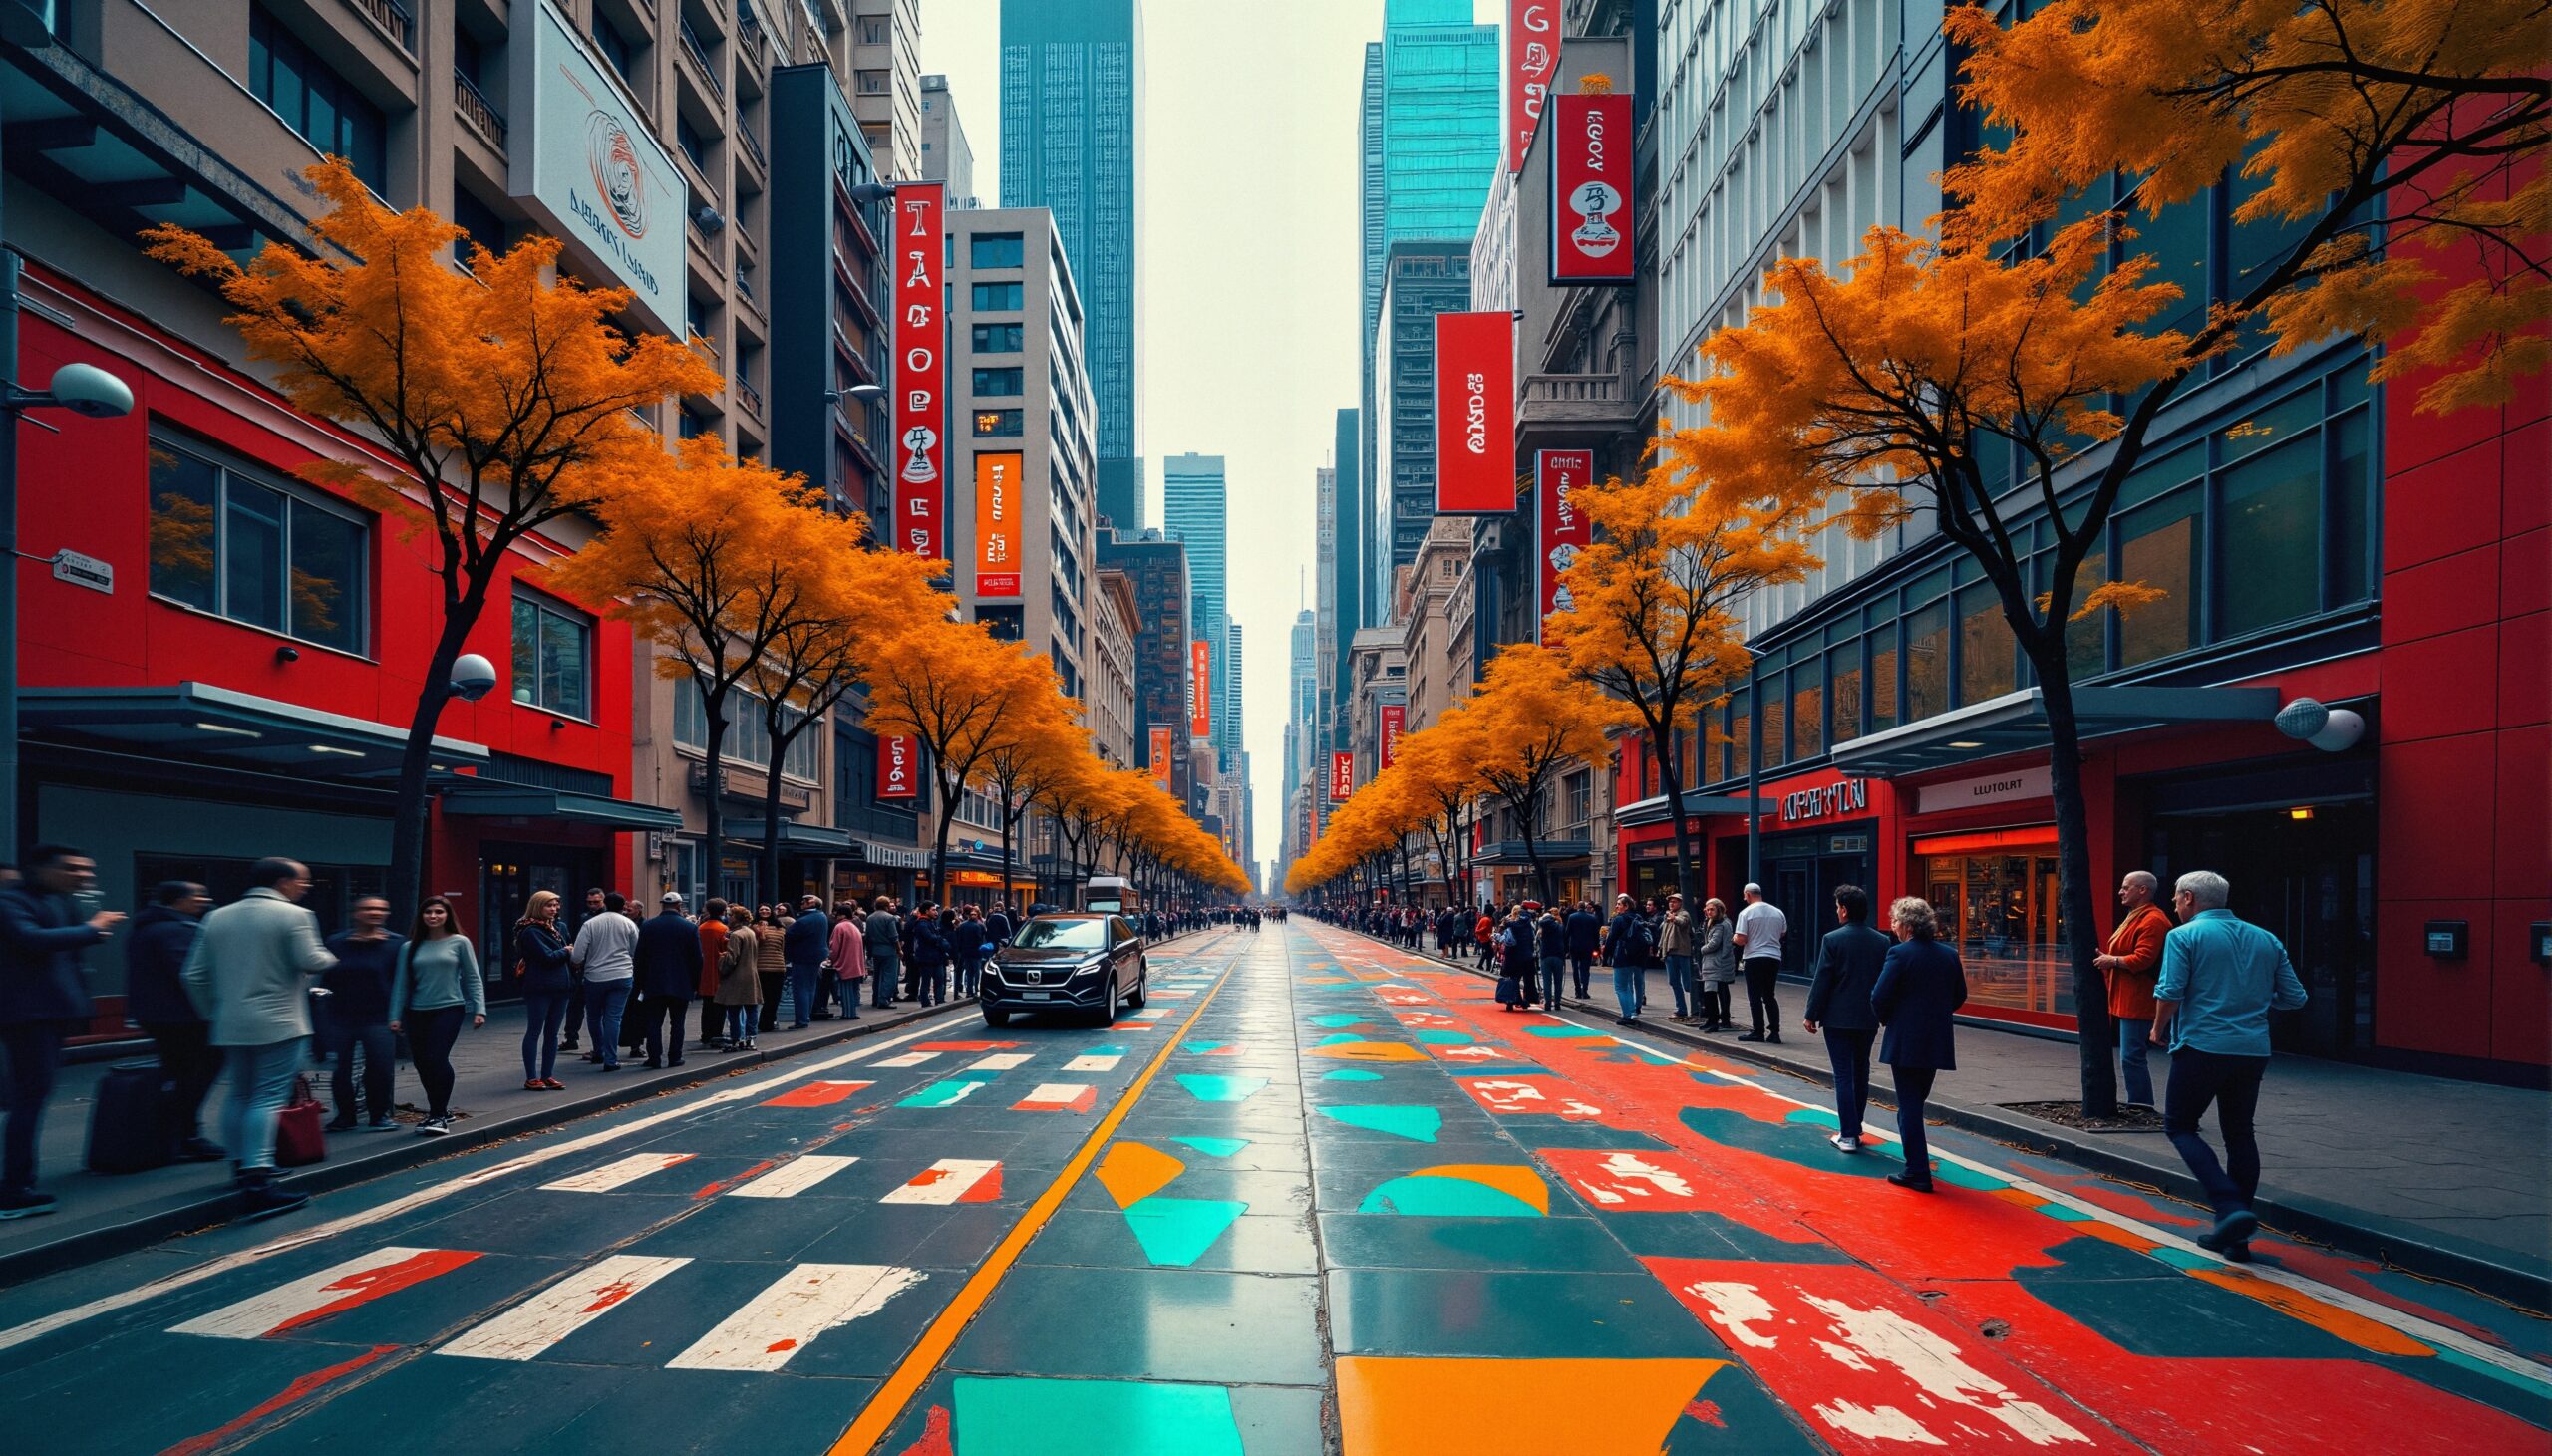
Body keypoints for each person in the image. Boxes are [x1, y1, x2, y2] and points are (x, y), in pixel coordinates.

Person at [2152, 870, 2308, 1262]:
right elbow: (2295, 997)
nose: (2173, 904)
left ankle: (2228, 1207)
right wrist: (2250, 1001)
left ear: (2189, 898)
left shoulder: (2183, 936)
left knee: (2180, 1126)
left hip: (2202, 1045)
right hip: (2252, 1049)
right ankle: (2238, 1238)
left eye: (2175, 897)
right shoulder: (2266, 938)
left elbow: (2170, 991)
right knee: (2240, 1133)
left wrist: (2157, 1029)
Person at [181, 857, 333, 1217]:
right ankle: (259, 1177)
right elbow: (311, 960)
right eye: (303, 881)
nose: (305, 888)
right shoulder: (295, 916)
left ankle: (240, 1164)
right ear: (283, 882)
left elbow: (194, 975)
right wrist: (331, 957)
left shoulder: (217, 916)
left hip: (230, 1022)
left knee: (240, 1094)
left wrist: (213, 1012)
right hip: (280, 1021)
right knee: (267, 1097)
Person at [0, 846, 125, 1218]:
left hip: (51, 1010)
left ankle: (19, 1181)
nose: (82, 876)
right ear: (38, 868)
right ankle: (14, 1189)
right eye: (71, 868)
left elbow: (68, 951)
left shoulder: (60, 902)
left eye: (86, 869)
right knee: (29, 1098)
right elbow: (30, 939)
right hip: (27, 1012)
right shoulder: (10, 901)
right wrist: (91, 929)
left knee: (33, 1096)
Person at [1872, 896, 1967, 1193]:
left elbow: (1879, 996)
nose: (1893, 927)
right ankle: (1916, 1166)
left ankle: (1917, 1170)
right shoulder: (1948, 955)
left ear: (1908, 925)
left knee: (1909, 1106)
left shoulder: (1899, 954)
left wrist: (1891, 1019)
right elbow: (1959, 995)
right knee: (1915, 1101)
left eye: (1896, 922)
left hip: (1906, 1039)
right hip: (1935, 1038)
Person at [126, 881, 225, 1161]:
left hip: (158, 1015)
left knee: (179, 1072)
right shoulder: (176, 931)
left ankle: (172, 1135)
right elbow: (192, 972)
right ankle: (186, 1135)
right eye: (199, 895)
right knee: (196, 1073)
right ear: (178, 900)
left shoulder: (145, 927)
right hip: (184, 1016)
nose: (205, 900)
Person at [1802, 886, 1891, 1154]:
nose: (1837, 910)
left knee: (1843, 1075)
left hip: (1837, 1016)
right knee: (1860, 1072)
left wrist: (1811, 1014)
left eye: (1838, 906)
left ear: (1844, 909)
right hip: (1867, 1017)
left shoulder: (1832, 939)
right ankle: (1856, 1127)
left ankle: (1848, 1134)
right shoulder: (1882, 941)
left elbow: (1823, 979)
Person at [387, 895, 484, 1135]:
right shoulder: (409, 947)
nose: (433, 916)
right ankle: (440, 1109)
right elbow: (401, 983)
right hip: (417, 1012)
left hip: (449, 1008)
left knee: (436, 1059)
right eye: (428, 912)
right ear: (421, 916)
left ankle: (438, 1115)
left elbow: (473, 976)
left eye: (438, 912)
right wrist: (394, 1016)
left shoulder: (459, 942)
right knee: (421, 1063)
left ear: (447, 915)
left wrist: (479, 1008)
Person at [321, 896, 403, 1129]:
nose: (374, 913)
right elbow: (326, 976)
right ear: (355, 913)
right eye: (367, 909)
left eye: (380, 909)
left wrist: (400, 1015)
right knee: (341, 1070)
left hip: (379, 1016)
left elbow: (403, 980)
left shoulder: (396, 944)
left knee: (380, 1068)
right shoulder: (336, 942)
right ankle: (345, 1116)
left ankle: (379, 1115)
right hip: (340, 1015)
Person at [2095, 870, 2172, 1109]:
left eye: (2126, 887)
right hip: (2127, 998)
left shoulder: (2153, 920)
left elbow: (2143, 959)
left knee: (2132, 1057)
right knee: (2131, 1057)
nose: (2121, 891)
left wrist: (2112, 960)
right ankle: (2139, 1104)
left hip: (2139, 1000)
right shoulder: (2137, 915)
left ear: (2143, 890)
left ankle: (2141, 1106)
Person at [569, 892, 638, 1071]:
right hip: (622, 974)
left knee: (594, 1016)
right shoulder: (629, 924)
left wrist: (577, 964)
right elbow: (634, 950)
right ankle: (611, 1058)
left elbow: (577, 955)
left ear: (605, 904)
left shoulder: (590, 924)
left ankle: (598, 1051)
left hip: (595, 976)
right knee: (614, 1017)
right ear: (623, 906)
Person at [513, 891, 574, 1089]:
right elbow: (546, 957)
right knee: (535, 1031)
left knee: (552, 1033)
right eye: (549, 905)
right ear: (538, 906)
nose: (554, 909)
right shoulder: (530, 931)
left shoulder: (560, 927)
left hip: (562, 987)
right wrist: (566, 951)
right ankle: (532, 1077)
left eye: (556, 905)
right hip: (539, 987)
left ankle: (547, 1075)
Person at [635, 891, 702, 1069]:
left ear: (662, 905)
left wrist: (640, 982)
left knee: (654, 1022)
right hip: (682, 983)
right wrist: (695, 984)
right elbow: (696, 959)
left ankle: (654, 1058)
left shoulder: (649, 926)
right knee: (677, 1022)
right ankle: (675, 1057)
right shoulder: (689, 927)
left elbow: (640, 957)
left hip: (653, 982)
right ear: (679, 905)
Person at [1734, 882, 1788, 1044]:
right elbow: (1783, 933)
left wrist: (1734, 938)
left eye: (1744, 896)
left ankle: (1758, 1031)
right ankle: (1775, 1032)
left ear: (1748, 894)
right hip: (1773, 956)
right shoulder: (1778, 912)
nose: (1744, 899)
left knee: (1754, 996)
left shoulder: (1746, 913)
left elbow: (1741, 939)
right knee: (1769, 995)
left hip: (1754, 956)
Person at [558, 887, 605, 1057]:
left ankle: (598, 1046)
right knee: (576, 1004)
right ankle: (571, 1037)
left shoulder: (604, 918)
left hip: (597, 966)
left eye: (596, 902)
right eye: (590, 902)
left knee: (596, 1010)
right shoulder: (584, 918)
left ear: (603, 901)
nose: (592, 905)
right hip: (584, 966)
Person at [718, 904, 762, 1050]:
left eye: (730, 915)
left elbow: (731, 959)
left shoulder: (735, 935)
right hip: (751, 973)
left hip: (736, 976)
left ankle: (736, 1039)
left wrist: (722, 959)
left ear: (736, 918)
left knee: (734, 1010)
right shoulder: (749, 932)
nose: (728, 918)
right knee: (751, 1008)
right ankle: (750, 1039)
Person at [1601, 894, 1649, 1025]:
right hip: (1635, 957)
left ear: (1626, 906)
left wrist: (1606, 957)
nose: (1616, 906)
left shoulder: (1619, 920)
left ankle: (1627, 1015)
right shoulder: (1637, 917)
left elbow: (1611, 939)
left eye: (1619, 904)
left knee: (1620, 987)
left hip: (1622, 955)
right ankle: (1632, 1011)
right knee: (1627, 985)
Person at [784, 895, 830, 1029]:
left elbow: (788, 935)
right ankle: (806, 1017)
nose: (801, 904)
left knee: (800, 989)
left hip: (802, 956)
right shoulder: (822, 916)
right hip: (816, 956)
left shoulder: (804, 920)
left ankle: (802, 1020)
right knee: (810, 988)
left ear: (811, 903)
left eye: (804, 902)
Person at [1696, 899, 1737, 1032]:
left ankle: (1714, 1021)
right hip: (1714, 963)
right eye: (1707, 909)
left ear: (1719, 909)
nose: (1708, 912)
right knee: (1714, 992)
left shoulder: (1721, 924)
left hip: (1716, 963)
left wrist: (1702, 949)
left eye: (1711, 909)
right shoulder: (1714, 922)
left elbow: (1714, 943)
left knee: (1711, 993)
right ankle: (1715, 1020)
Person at [1658, 893, 1698, 1022]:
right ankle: (1681, 1009)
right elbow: (1664, 934)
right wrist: (1660, 948)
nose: (1671, 904)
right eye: (1670, 902)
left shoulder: (1683, 914)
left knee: (1687, 983)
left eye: (1674, 902)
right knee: (1673, 982)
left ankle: (1698, 1006)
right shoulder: (1667, 916)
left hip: (1681, 952)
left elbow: (1682, 922)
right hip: (1669, 953)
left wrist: (1673, 918)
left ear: (1680, 903)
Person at [696, 898, 730, 1047]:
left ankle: (706, 1034)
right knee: (719, 1006)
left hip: (703, 971)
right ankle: (716, 1034)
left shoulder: (700, 928)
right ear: (723, 911)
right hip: (719, 971)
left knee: (707, 1005)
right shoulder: (723, 929)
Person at [754, 905, 790, 1029]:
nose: (764, 911)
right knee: (760, 998)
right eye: (761, 910)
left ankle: (767, 1022)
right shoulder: (753, 927)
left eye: (767, 910)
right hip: (760, 966)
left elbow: (782, 947)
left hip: (777, 966)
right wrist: (761, 929)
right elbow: (759, 942)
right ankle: (761, 1023)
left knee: (773, 998)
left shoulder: (780, 927)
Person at [908, 905, 951, 1007]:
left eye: (936, 910)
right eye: (933, 910)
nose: (936, 912)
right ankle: (926, 1002)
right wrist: (941, 939)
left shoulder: (931, 922)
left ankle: (939, 1000)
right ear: (926, 911)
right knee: (926, 982)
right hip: (926, 957)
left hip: (936, 957)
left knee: (939, 980)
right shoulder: (922, 924)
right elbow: (930, 938)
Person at [866, 897, 903, 1009]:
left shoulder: (870, 918)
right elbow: (894, 936)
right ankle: (884, 999)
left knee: (877, 975)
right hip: (888, 949)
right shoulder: (889, 917)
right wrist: (899, 949)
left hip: (876, 949)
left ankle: (876, 998)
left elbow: (868, 936)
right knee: (889, 975)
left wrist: (869, 951)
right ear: (886, 905)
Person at [1534, 903, 1568, 1010]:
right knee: (1558, 981)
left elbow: (1541, 921)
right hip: (1558, 955)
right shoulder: (1560, 927)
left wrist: (1549, 916)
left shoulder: (1543, 929)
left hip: (1546, 956)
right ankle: (1557, 1003)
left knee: (1547, 981)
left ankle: (1548, 1003)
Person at [1566, 900, 1601, 999]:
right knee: (1585, 969)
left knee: (1575, 968)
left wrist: (1565, 947)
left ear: (1577, 907)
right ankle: (1584, 990)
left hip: (1574, 946)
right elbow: (1596, 935)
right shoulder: (1592, 918)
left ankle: (1577, 990)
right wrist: (1597, 947)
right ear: (1585, 908)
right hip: (1587, 946)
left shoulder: (1572, 917)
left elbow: (1567, 932)